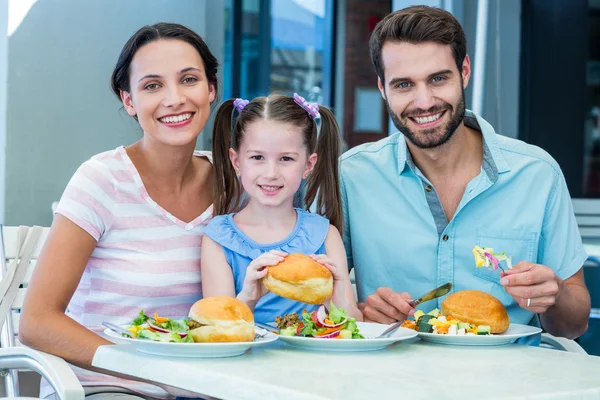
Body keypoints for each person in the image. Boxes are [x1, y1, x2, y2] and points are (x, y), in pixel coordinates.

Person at [340, 6, 590, 341]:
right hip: (392, 380)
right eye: (403, 85)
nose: (424, 101)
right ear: (383, 89)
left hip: (509, 383)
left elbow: (574, 325)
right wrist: (359, 311)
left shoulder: (537, 174)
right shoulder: (351, 175)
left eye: (438, 79)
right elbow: (317, 301)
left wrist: (555, 294)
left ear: (465, 71)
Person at [20, 23, 218, 399]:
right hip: (105, 387)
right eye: (152, 86)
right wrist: (149, 373)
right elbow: (37, 321)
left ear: (210, 89)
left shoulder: (235, 184)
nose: (174, 99)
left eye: (189, 79)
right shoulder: (102, 180)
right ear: (129, 101)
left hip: (206, 388)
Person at [200, 94, 361, 323]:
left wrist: (336, 294)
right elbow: (217, 328)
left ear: (308, 165)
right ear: (237, 162)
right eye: (257, 157)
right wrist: (248, 297)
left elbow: (354, 325)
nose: (271, 173)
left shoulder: (325, 235)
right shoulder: (219, 238)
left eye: (286, 159)